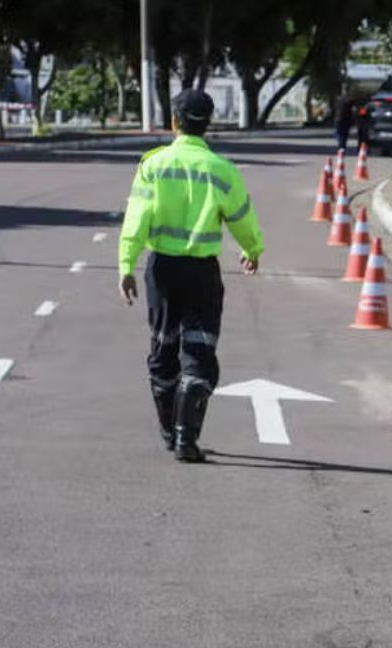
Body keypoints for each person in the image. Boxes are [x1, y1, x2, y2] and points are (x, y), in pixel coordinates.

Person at [117, 89, 265, 462]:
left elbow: (136, 221)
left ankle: (169, 431)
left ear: (174, 122)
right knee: (198, 351)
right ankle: (186, 438)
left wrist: (126, 266)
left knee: (163, 350)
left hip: (162, 270)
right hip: (202, 274)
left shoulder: (153, 165)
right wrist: (252, 249)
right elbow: (242, 218)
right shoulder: (222, 170)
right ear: (208, 124)